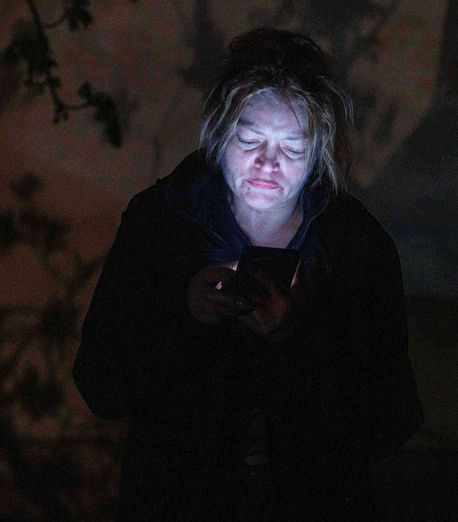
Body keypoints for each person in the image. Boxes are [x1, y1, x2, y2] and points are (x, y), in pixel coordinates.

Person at [72, 28, 422, 521]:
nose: (268, 163)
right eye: (250, 139)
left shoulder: (353, 245)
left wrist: (296, 333)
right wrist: (186, 313)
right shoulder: (162, 225)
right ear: (220, 132)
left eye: (292, 148)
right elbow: (101, 385)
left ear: (318, 150)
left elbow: (390, 421)